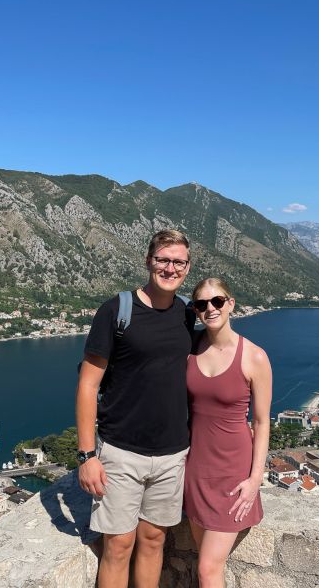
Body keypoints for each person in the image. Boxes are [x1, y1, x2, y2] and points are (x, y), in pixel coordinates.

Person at [76, 229, 193, 588]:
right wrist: (87, 456)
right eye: (163, 260)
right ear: (148, 261)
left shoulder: (187, 313)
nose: (170, 268)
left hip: (172, 453)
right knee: (118, 546)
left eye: (178, 262)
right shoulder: (116, 311)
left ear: (187, 267)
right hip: (121, 452)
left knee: (154, 540)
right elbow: (87, 385)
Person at [184, 277, 272, 588]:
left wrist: (255, 479)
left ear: (231, 304)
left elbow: (261, 422)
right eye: (202, 304)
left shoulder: (254, 357)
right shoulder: (190, 349)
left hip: (232, 473)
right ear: (196, 310)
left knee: (208, 569)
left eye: (217, 301)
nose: (210, 308)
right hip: (195, 470)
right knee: (203, 561)